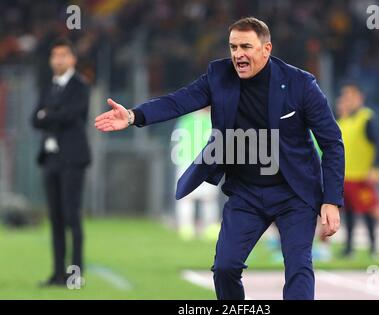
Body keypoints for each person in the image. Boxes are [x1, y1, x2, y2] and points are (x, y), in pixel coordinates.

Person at [95, 17, 344, 300]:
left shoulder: (301, 84)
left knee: (298, 268)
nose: (238, 54)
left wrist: (331, 200)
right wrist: (132, 116)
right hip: (246, 192)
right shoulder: (219, 76)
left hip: (294, 193)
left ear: (266, 49)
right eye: (233, 47)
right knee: (225, 268)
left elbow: (332, 143)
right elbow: (179, 101)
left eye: (246, 47)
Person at [32, 38, 91, 286]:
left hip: (72, 158)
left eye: (63, 55)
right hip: (50, 158)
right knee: (55, 218)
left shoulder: (80, 85)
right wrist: (49, 115)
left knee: (71, 216)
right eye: (55, 56)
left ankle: (75, 275)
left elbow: (73, 115)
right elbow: (34, 119)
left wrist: (48, 114)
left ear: (72, 59)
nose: (59, 60)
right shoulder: (49, 85)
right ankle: (57, 274)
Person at [336, 83, 379, 258]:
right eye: (345, 97)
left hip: (361, 176)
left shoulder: (367, 118)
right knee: (349, 214)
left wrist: (376, 168)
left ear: (360, 97)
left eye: (351, 96)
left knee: (372, 210)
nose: (347, 100)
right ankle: (349, 248)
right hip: (345, 176)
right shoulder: (343, 121)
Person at [172, 108, 220, 241]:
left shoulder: (209, 119)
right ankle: (186, 227)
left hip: (202, 162)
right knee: (188, 197)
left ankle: (208, 227)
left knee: (208, 197)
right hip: (189, 161)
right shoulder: (188, 120)